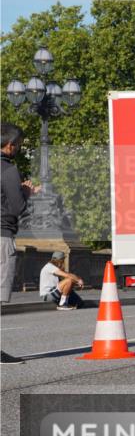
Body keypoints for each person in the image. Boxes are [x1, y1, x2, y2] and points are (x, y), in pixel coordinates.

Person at [2, 124, 37, 305]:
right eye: (19, 145)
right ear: (10, 145)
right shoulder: (9, 170)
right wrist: (27, 193)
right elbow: (18, 208)